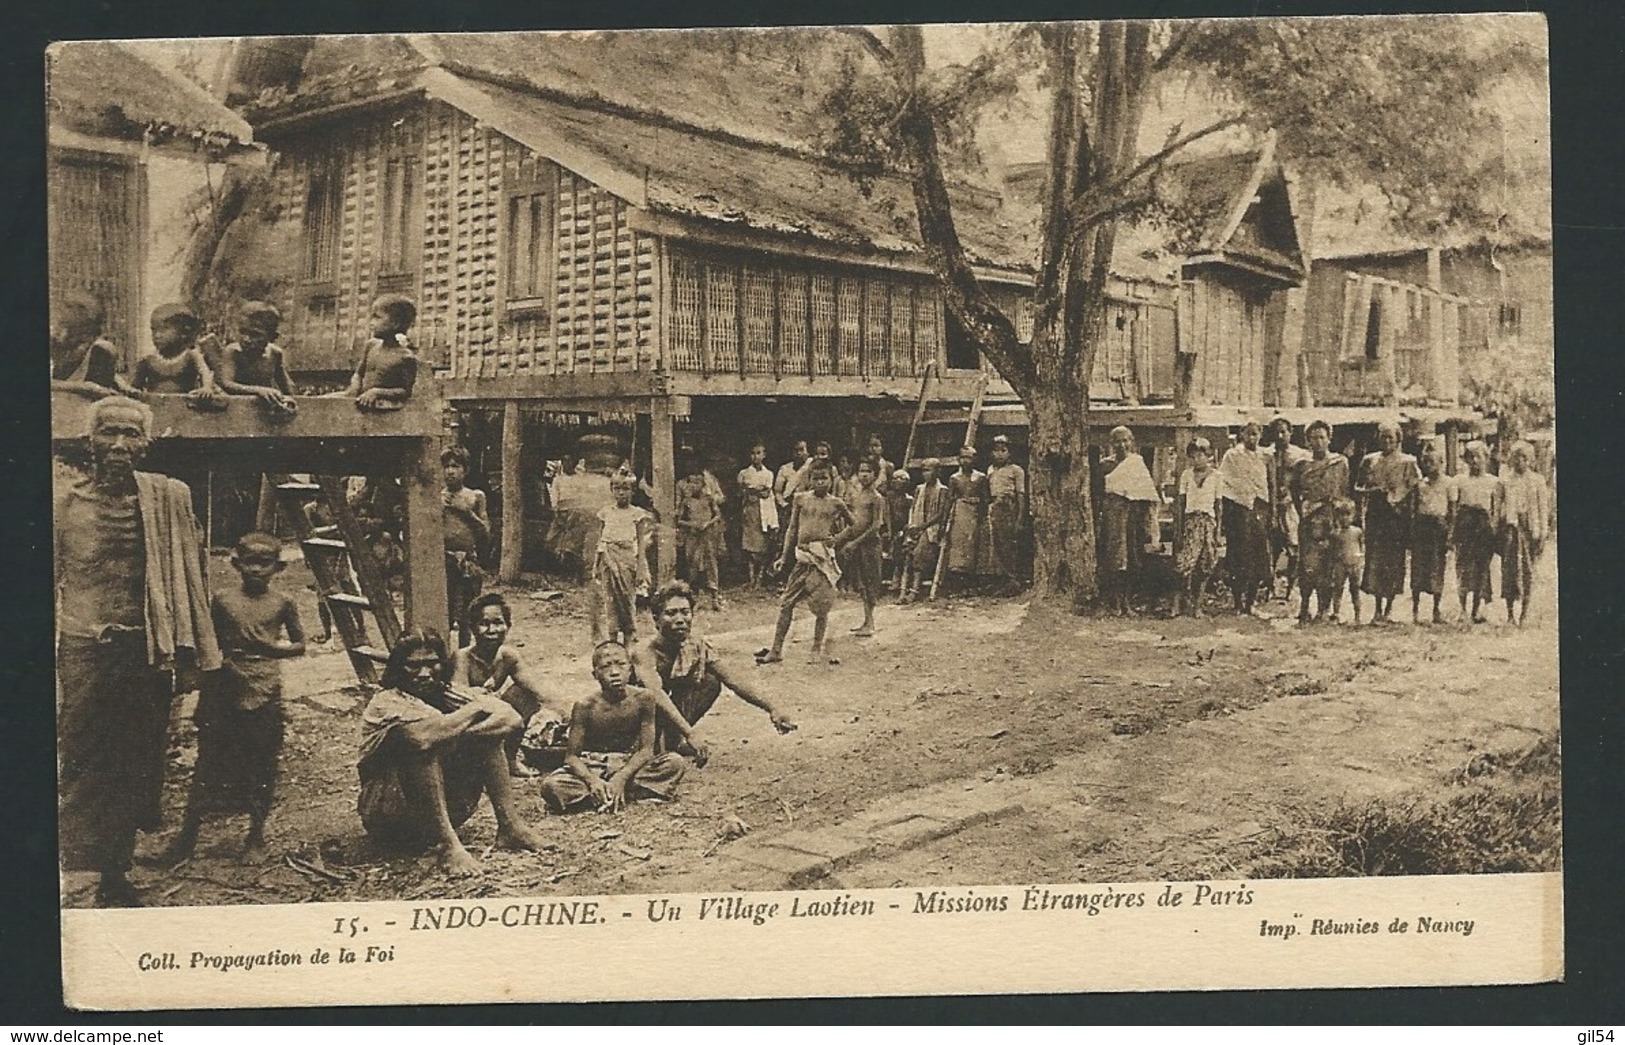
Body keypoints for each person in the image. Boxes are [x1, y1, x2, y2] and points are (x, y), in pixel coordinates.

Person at [56, 396, 221, 906]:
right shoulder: (62, 505)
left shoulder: (168, 498)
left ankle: (114, 874)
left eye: (131, 434)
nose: (120, 445)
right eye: (110, 433)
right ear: (91, 441)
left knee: (138, 759)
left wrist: (194, 651)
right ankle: (66, 871)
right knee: (78, 757)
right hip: (83, 647)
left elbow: (192, 576)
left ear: (146, 444)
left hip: (148, 650)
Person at [161, 532, 304, 866]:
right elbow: (207, 640)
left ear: (277, 567)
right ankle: (186, 838)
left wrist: (272, 650)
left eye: (264, 563)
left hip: (264, 687)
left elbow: (300, 644)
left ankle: (255, 836)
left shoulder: (282, 603)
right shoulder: (222, 600)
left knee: (262, 761)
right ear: (237, 564)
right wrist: (215, 666)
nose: (256, 570)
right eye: (250, 562)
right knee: (209, 761)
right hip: (224, 686)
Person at [357, 629, 545, 877]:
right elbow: (422, 738)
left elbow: (511, 719)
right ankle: (448, 846)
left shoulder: (447, 692)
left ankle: (510, 826)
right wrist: (474, 710)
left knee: (487, 738)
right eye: (413, 666)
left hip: (451, 808)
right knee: (423, 747)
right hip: (389, 815)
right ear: (398, 668)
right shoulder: (387, 701)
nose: (424, 673)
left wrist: (463, 733)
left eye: (432, 664)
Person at [631, 581, 796, 759]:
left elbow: (732, 679)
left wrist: (772, 708)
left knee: (709, 682)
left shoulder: (695, 645)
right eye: (671, 613)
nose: (680, 619)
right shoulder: (645, 651)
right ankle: (648, 746)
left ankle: (673, 743)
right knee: (648, 702)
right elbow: (657, 695)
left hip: (664, 715)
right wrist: (690, 733)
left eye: (685, 612)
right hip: (632, 716)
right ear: (656, 619)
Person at [539, 641, 690, 813]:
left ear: (630, 669)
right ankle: (614, 793)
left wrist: (621, 777)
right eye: (605, 667)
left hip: (629, 765)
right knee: (551, 786)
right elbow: (572, 757)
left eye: (621, 665)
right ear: (595, 674)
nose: (615, 672)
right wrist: (592, 781)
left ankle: (603, 795)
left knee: (675, 763)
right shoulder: (585, 706)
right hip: (595, 766)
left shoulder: (644, 699)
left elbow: (646, 750)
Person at [450, 593, 565, 777]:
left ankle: (509, 759)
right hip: (468, 721)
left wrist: (566, 714)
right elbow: (458, 698)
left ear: (508, 626)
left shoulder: (508, 657)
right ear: (473, 628)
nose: (492, 630)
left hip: (495, 713)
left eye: (498, 623)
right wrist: (482, 696)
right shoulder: (462, 658)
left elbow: (539, 690)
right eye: (484, 624)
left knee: (523, 695)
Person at [760, 459, 852, 665]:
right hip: (802, 559)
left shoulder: (836, 503)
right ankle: (776, 649)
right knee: (786, 603)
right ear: (809, 479)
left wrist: (837, 539)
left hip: (822, 560)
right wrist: (783, 557)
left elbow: (853, 524)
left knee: (821, 606)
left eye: (824, 478)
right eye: (815, 478)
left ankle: (817, 647)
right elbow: (792, 529)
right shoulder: (800, 499)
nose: (820, 482)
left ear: (831, 479)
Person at [1356, 421, 1421, 624]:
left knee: (1394, 561)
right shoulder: (1370, 460)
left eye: (1391, 438)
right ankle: (1376, 609)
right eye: (1383, 437)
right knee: (1376, 560)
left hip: (1396, 517)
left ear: (1398, 440)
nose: (1387, 441)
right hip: (1376, 514)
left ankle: (1389, 609)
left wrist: (1400, 500)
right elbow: (1357, 487)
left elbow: (1415, 489)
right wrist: (1371, 491)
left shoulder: (1407, 462)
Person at [1291, 420, 1352, 624]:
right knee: (1307, 565)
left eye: (1321, 437)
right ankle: (1305, 606)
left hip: (1330, 519)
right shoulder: (1302, 465)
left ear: (1329, 439)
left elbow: (1344, 490)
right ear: (1307, 441)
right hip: (1309, 520)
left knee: (1329, 565)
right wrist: (1303, 510)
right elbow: (1294, 490)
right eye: (1313, 438)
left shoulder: (1339, 462)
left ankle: (1324, 609)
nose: (1317, 442)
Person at [1098, 426, 1162, 616]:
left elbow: (1147, 493)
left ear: (1132, 441)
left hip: (1133, 517)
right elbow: (1100, 494)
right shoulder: (1105, 465)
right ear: (1111, 444)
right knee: (1116, 560)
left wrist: (1148, 521)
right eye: (1118, 441)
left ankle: (1127, 603)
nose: (1122, 445)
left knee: (1132, 559)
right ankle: (1115, 603)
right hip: (1113, 516)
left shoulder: (1137, 463)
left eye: (1126, 440)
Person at [591, 472, 653, 645]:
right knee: (610, 599)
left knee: (626, 597)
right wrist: (596, 564)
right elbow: (601, 539)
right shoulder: (605, 513)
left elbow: (641, 543)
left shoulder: (637, 514)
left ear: (632, 491)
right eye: (617, 488)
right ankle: (612, 637)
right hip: (608, 558)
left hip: (627, 559)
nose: (621, 493)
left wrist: (641, 567)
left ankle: (629, 634)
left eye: (625, 489)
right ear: (611, 490)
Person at [1218, 421, 1272, 614]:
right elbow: (1225, 483)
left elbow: (1269, 484)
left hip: (1259, 510)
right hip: (1238, 511)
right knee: (1239, 555)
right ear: (1241, 434)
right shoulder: (1232, 456)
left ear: (1261, 435)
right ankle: (1237, 602)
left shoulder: (1265, 456)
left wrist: (1270, 511)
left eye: (1255, 434)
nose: (1252, 438)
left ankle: (1251, 602)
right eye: (1248, 434)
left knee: (1258, 556)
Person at [336, 294, 418, 411]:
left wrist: (377, 392)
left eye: (377, 317)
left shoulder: (405, 357)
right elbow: (359, 373)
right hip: (358, 398)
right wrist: (355, 387)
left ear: (395, 323)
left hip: (379, 406)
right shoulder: (371, 345)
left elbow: (405, 391)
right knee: (315, 402)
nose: (371, 323)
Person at [441, 447, 490, 645]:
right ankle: (443, 657)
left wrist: (466, 512)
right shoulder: (435, 496)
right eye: (446, 466)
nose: (450, 471)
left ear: (465, 470)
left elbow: (486, 533)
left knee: (468, 614)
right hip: (443, 560)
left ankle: (465, 655)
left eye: (456, 466)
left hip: (468, 560)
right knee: (445, 612)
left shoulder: (475, 496)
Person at [130, 304, 223, 406]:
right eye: (154, 330)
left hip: (183, 409)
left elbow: (205, 373)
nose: (157, 335)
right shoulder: (148, 361)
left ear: (183, 333)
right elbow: (134, 389)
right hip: (155, 409)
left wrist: (206, 388)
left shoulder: (191, 356)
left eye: (164, 329)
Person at [51, 291, 139, 399]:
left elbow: (99, 390)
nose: (62, 310)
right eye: (65, 305)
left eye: (69, 307)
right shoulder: (55, 342)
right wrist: (79, 387)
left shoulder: (101, 350)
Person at [1498, 440, 1549, 627]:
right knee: (1509, 571)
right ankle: (1510, 613)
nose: (1520, 461)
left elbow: (1544, 510)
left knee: (1528, 571)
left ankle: (1524, 613)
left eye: (1524, 458)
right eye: (1517, 457)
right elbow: (1499, 506)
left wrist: (1542, 533)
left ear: (1530, 460)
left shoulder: (1537, 480)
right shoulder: (1505, 480)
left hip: (1530, 530)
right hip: (1512, 528)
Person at [217, 302, 297, 415]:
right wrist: (259, 390)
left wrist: (288, 398)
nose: (246, 339)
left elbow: (287, 387)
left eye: (255, 335)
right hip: (235, 409)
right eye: (242, 332)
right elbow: (227, 383)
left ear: (272, 337)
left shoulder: (275, 354)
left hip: (262, 411)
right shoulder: (233, 352)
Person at [1453, 441, 1500, 624]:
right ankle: (1462, 609)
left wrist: (1494, 530)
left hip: (1483, 527)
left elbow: (1495, 510)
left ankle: (1476, 609)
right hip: (1465, 525)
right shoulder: (1459, 480)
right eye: (1470, 457)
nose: (1474, 461)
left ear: (1486, 459)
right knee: (1463, 567)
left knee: (1482, 568)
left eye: (1478, 456)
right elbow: (1455, 507)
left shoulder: (1494, 482)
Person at [1173, 437, 1221, 618]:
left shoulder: (1216, 476)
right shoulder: (1186, 475)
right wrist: (1178, 529)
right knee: (1184, 564)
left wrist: (1217, 532)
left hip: (1208, 522)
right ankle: (1178, 603)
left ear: (1208, 456)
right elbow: (1180, 502)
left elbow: (1218, 505)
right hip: (1190, 522)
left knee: (1205, 564)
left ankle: (1198, 606)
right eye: (1193, 456)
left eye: (1201, 455)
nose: (1197, 459)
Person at [840, 459, 886, 637]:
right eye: (861, 471)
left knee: (871, 582)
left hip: (870, 545)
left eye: (868, 471)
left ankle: (871, 622)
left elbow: (875, 526)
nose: (864, 475)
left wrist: (855, 542)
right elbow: (853, 523)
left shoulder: (876, 498)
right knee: (861, 583)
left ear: (875, 475)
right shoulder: (857, 496)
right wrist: (840, 539)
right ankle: (866, 620)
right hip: (856, 545)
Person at [1410, 445, 1456, 624]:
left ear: (1441, 463)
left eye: (1432, 462)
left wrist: (1450, 534)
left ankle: (1436, 610)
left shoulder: (1449, 483)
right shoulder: (1420, 484)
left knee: (1437, 568)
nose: (1428, 465)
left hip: (1439, 528)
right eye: (1425, 462)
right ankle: (1415, 610)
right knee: (1418, 568)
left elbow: (1452, 511)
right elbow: (1414, 509)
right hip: (1422, 527)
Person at [1266, 416, 1311, 599]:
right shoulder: (1267, 454)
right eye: (1276, 432)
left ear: (1290, 433)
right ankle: (1270, 587)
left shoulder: (1300, 455)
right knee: (1271, 549)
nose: (1280, 435)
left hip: (1291, 505)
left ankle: (1290, 588)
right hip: (1270, 505)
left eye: (1284, 431)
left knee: (1294, 548)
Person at [900, 459, 949, 604]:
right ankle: (903, 589)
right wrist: (912, 525)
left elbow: (940, 513)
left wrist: (923, 526)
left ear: (937, 472)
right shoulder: (919, 489)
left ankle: (914, 590)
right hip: (917, 525)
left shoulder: (942, 490)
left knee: (919, 551)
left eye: (929, 470)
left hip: (931, 528)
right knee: (906, 548)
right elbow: (913, 508)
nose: (925, 474)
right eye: (924, 470)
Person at [676, 464, 724, 609]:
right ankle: (693, 598)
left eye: (698, 482)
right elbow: (678, 519)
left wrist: (708, 523)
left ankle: (715, 598)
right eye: (692, 482)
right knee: (693, 565)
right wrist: (692, 525)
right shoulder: (686, 502)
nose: (694, 486)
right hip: (693, 536)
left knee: (711, 564)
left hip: (708, 535)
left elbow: (718, 515)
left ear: (703, 484)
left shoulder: (708, 499)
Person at [985, 434, 1028, 595]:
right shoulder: (990, 470)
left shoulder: (1016, 470)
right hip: (995, 507)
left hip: (1009, 507)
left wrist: (1019, 519)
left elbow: (1021, 495)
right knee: (995, 544)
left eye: (1003, 450)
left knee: (1008, 544)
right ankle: (1000, 579)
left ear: (1010, 452)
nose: (999, 454)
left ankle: (1013, 580)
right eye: (996, 451)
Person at [943, 446, 989, 593]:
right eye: (963, 457)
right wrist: (945, 521)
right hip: (960, 512)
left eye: (969, 457)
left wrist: (982, 516)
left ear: (975, 459)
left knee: (974, 544)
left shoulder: (981, 477)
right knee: (959, 546)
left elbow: (985, 499)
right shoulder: (954, 478)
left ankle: (972, 584)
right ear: (959, 459)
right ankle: (958, 584)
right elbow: (950, 500)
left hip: (975, 513)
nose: (966, 461)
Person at [737, 441, 780, 588]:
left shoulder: (768, 474)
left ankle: (760, 577)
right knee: (749, 547)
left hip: (764, 513)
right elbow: (743, 490)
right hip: (750, 512)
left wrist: (753, 489)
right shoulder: (744, 473)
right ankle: (751, 578)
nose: (755, 456)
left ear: (764, 455)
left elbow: (766, 492)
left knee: (762, 547)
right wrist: (754, 490)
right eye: (753, 453)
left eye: (758, 453)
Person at [1326, 499, 1365, 625]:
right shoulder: (1335, 534)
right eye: (1341, 515)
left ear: (1353, 516)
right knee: (1338, 589)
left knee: (1355, 591)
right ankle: (1336, 613)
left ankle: (1358, 616)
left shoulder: (1357, 531)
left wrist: (1359, 561)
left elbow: (1360, 547)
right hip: (1340, 564)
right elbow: (1333, 550)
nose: (1345, 518)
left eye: (1348, 515)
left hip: (1354, 564)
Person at [881, 468, 914, 591]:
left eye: (902, 479)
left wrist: (904, 531)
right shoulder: (888, 497)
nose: (898, 481)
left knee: (901, 547)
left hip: (902, 531)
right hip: (888, 529)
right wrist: (887, 530)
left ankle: (897, 578)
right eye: (895, 478)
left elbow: (909, 518)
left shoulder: (909, 499)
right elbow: (886, 514)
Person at [774, 440, 810, 513]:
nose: (799, 453)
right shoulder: (784, 468)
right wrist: (783, 504)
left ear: (808, 451)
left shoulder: (812, 466)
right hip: (789, 507)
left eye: (802, 450)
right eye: (796, 450)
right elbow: (778, 491)